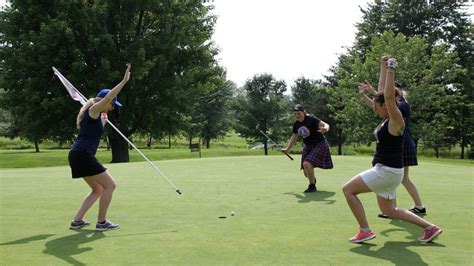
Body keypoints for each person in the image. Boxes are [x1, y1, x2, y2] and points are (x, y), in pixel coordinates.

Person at [342, 57, 441, 243]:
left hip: (386, 172)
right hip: (390, 171)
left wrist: (390, 68)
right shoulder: (386, 119)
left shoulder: (396, 119)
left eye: (377, 106)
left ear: (388, 106)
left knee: (348, 190)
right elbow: (381, 96)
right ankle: (430, 228)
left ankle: (364, 230)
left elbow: (386, 97)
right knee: (389, 211)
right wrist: (381, 67)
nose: (374, 107)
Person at [68, 63, 131, 231]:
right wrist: (124, 81)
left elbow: (92, 133)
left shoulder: (95, 116)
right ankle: (102, 222)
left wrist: (102, 122)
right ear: (104, 102)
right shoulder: (94, 109)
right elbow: (110, 96)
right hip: (83, 155)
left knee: (97, 189)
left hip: (77, 155)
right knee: (110, 186)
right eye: (112, 105)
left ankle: (77, 220)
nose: (111, 108)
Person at [359, 78, 425, 218]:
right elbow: (378, 104)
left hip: (402, 144)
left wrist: (373, 91)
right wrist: (368, 93)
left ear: (396, 93)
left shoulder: (402, 105)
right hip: (400, 143)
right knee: (396, 178)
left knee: (402, 178)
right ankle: (391, 209)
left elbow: (385, 103)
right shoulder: (394, 105)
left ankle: (419, 206)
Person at [282, 104, 333, 193]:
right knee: (306, 172)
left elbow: (326, 125)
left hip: (319, 144)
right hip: (308, 146)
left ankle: (312, 186)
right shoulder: (296, 124)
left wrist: (325, 128)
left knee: (306, 163)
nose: (297, 115)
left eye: (299, 113)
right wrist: (287, 149)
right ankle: (312, 179)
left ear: (304, 112)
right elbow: (294, 137)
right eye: (295, 114)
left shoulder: (311, 119)